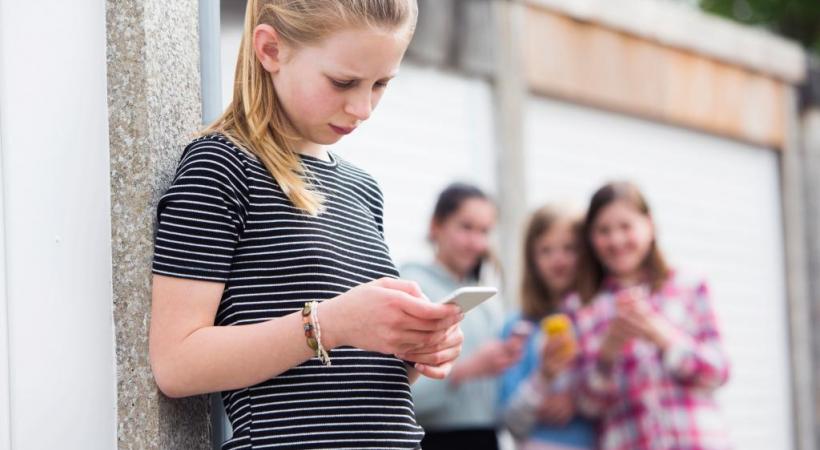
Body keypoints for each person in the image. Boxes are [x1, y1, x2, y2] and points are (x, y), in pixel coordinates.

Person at [148, 1, 465, 449]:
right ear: (270, 49)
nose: (363, 108)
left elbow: (337, 385)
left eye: (381, 84)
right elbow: (176, 363)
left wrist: (415, 349)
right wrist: (329, 323)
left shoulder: (362, 188)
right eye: (343, 82)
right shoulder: (221, 167)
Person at [574, 181, 731, 450]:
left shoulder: (689, 285)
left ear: (650, 226)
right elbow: (587, 406)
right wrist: (609, 352)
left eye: (626, 227)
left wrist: (661, 335)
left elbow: (718, 371)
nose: (616, 240)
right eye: (603, 231)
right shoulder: (584, 308)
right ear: (591, 238)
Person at [401, 182, 523, 450]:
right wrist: (466, 371)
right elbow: (396, 391)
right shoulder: (411, 286)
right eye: (466, 227)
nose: (477, 243)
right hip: (435, 439)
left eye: (484, 231)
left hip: (487, 437)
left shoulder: (487, 298)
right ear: (436, 226)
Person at [498, 205, 597, 450]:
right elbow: (510, 422)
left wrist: (578, 401)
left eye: (570, 248)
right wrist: (543, 377)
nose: (558, 259)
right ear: (531, 259)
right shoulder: (518, 327)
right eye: (546, 250)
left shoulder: (597, 316)